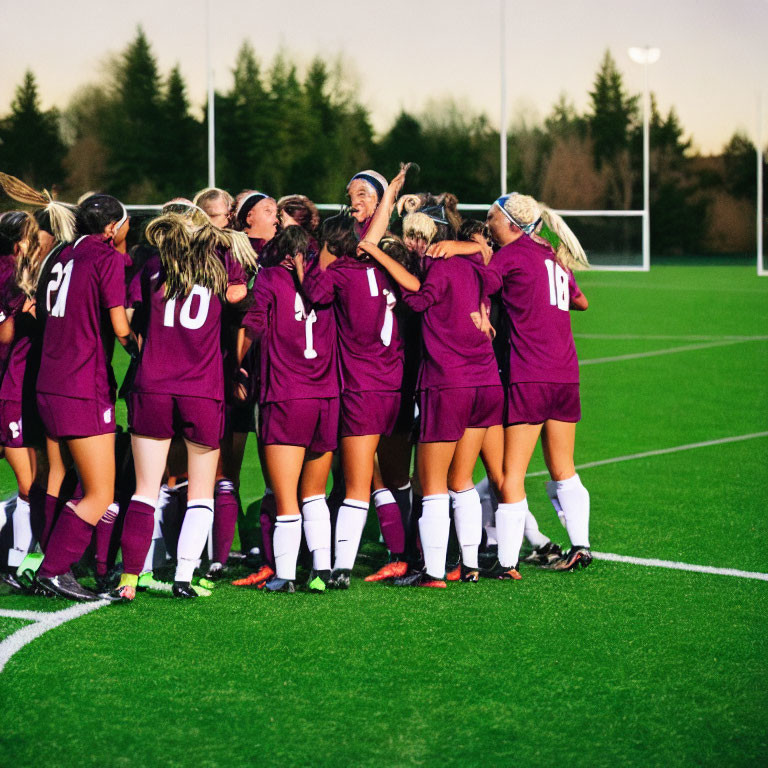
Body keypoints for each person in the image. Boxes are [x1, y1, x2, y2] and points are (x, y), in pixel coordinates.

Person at [359, 200, 504, 587]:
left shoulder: (437, 268)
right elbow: (494, 280)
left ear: (433, 238)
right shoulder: (471, 263)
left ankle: (434, 571)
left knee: (435, 485)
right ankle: (470, 565)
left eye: (419, 236)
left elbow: (418, 298)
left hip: (449, 383)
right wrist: (472, 248)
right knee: (463, 480)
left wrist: (380, 257)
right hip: (487, 384)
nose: (413, 244)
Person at [112, 212, 232, 601]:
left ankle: (130, 578)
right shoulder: (218, 265)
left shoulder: (152, 264)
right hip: (202, 389)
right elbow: (240, 299)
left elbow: (127, 321)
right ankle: (183, 578)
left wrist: (137, 348)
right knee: (201, 492)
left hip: (153, 384)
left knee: (145, 491)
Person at [300, 167, 408, 588]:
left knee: (376, 475)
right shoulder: (378, 258)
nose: (354, 200)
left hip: (364, 382)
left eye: (364, 194)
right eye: (350, 194)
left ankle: (344, 563)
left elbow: (315, 291)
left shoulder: (361, 258)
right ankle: (401, 553)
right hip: (389, 379)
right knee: (378, 474)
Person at [33, 194, 136, 601]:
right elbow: (120, 326)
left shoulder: (60, 255)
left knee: (59, 478)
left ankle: (52, 560)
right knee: (100, 493)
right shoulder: (106, 258)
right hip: (82, 385)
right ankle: (54, 570)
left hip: (49, 379)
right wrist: (146, 350)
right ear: (111, 228)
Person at [485, 193, 591, 572]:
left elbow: (479, 285)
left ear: (513, 225)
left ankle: (507, 561)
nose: (487, 225)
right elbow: (581, 303)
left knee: (511, 475)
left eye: (492, 219)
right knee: (564, 468)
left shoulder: (509, 257)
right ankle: (580, 546)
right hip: (566, 374)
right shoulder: (553, 258)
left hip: (530, 375)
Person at [240, 225, 338, 593]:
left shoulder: (268, 280)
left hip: (285, 395)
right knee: (314, 493)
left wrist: (234, 365)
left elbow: (254, 324)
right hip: (326, 396)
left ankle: (285, 574)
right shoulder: (326, 281)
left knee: (285, 497)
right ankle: (322, 571)